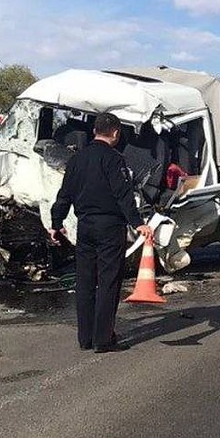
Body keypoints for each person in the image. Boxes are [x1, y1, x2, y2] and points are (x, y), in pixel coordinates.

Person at [49, 112, 153, 352]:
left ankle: (85, 338)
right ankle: (103, 338)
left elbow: (64, 193)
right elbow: (123, 195)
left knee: (85, 281)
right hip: (109, 227)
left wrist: (57, 223)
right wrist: (138, 222)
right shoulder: (114, 159)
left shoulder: (76, 160)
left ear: (95, 131)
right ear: (115, 132)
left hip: (84, 227)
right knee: (108, 281)